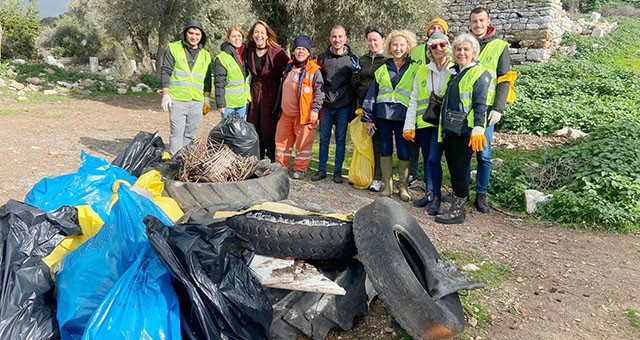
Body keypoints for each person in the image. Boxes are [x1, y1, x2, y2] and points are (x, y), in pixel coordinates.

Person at [435, 33, 491, 224]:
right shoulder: (456, 72)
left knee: (459, 168)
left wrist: (478, 127)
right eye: (458, 49)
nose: (461, 52)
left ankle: (457, 211)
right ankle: (460, 198)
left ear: (474, 52)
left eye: (466, 49)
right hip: (452, 128)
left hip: (465, 130)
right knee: (455, 167)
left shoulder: (479, 73)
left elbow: (480, 104)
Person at [362, 30, 419, 202]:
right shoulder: (382, 69)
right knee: (385, 149)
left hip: (403, 117)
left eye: (402, 45)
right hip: (383, 115)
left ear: (408, 46)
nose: (398, 48)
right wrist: (368, 118)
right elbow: (372, 94)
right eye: (395, 45)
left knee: (403, 151)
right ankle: (387, 186)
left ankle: (403, 187)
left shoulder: (416, 69)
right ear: (389, 47)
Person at [404, 31, 453, 216]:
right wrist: (409, 126)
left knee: (434, 159)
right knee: (428, 160)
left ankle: (438, 196)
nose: (438, 49)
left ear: (448, 46)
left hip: (444, 124)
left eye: (442, 45)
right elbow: (414, 98)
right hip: (425, 122)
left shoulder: (455, 69)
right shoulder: (423, 70)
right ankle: (430, 193)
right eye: (434, 46)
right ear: (429, 50)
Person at [469, 7, 511, 213]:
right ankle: (460, 193)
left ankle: (481, 194)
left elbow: (504, 79)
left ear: (488, 21)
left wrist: (499, 107)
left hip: (487, 109)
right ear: (470, 23)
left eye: (481, 21)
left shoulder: (499, 46)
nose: (478, 25)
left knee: (483, 155)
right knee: (464, 153)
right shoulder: (464, 43)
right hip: (465, 107)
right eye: (474, 21)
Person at [312, 25, 361, 184]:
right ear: (329, 38)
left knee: (341, 141)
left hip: (343, 106)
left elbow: (355, 84)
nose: (337, 40)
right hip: (326, 106)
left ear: (345, 38)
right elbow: (318, 82)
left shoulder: (352, 59)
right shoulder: (322, 58)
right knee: (324, 139)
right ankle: (321, 170)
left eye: (340, 36)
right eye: (334, 36)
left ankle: (338, 172)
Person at [274, 35, 324, 179]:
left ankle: (300, 169)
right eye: (298, 49)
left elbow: (320, 93)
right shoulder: (288, 67)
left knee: (303, 145)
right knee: (282, 142)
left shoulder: (314, 71)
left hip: (305, 115)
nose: (300, 52)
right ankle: (281, 167)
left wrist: (315, 110)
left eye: (303, 49)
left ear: (308, 53)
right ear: (294, 52)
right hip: (286, 114)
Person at [160, 19, 212, 157]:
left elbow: (207, 79)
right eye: (191, 33)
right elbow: (166, 71)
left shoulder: (206, 55)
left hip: (197, 100)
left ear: (202, 36)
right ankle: (176, 162)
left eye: (197, 34)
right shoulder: (173, 48)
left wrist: (207, 99)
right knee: (177, 133)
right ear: (185, 33)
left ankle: (185, 161)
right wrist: (166, 94)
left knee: (190, 134)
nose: (194, 37)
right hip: (177, 99)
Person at [246, 20, 289, 161]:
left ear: (267, 35)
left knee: (268, 126)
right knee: (253, 123)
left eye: (262, 33)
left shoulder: (277, 52)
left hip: (271, 94)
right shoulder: (250, 48)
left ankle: (272, 158)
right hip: (255, 93)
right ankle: (256, 157)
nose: (259, 35)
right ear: (252, 35)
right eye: (256, 32)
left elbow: (290, 67)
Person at [351, 27, 386, 192]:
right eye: (369, 40)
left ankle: (378, 178)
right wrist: (356, 74)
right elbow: (354, 85)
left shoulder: (387, 60)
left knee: (378, 142)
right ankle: (363, 174)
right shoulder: (362, 60)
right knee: (363, 141)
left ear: (383, 41)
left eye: (375, 40)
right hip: (362, 105)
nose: (372, 43)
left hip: (379, 106)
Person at [214, 26, 250, 119]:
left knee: (239, 132)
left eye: (239, 36)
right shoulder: (222, 57)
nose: (237, 39)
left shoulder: (246, 54)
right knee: (229, 132)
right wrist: (220, 104)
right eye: (233, 36)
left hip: (242, 103)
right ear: (229, 39)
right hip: (228, 104)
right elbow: (219, 83)